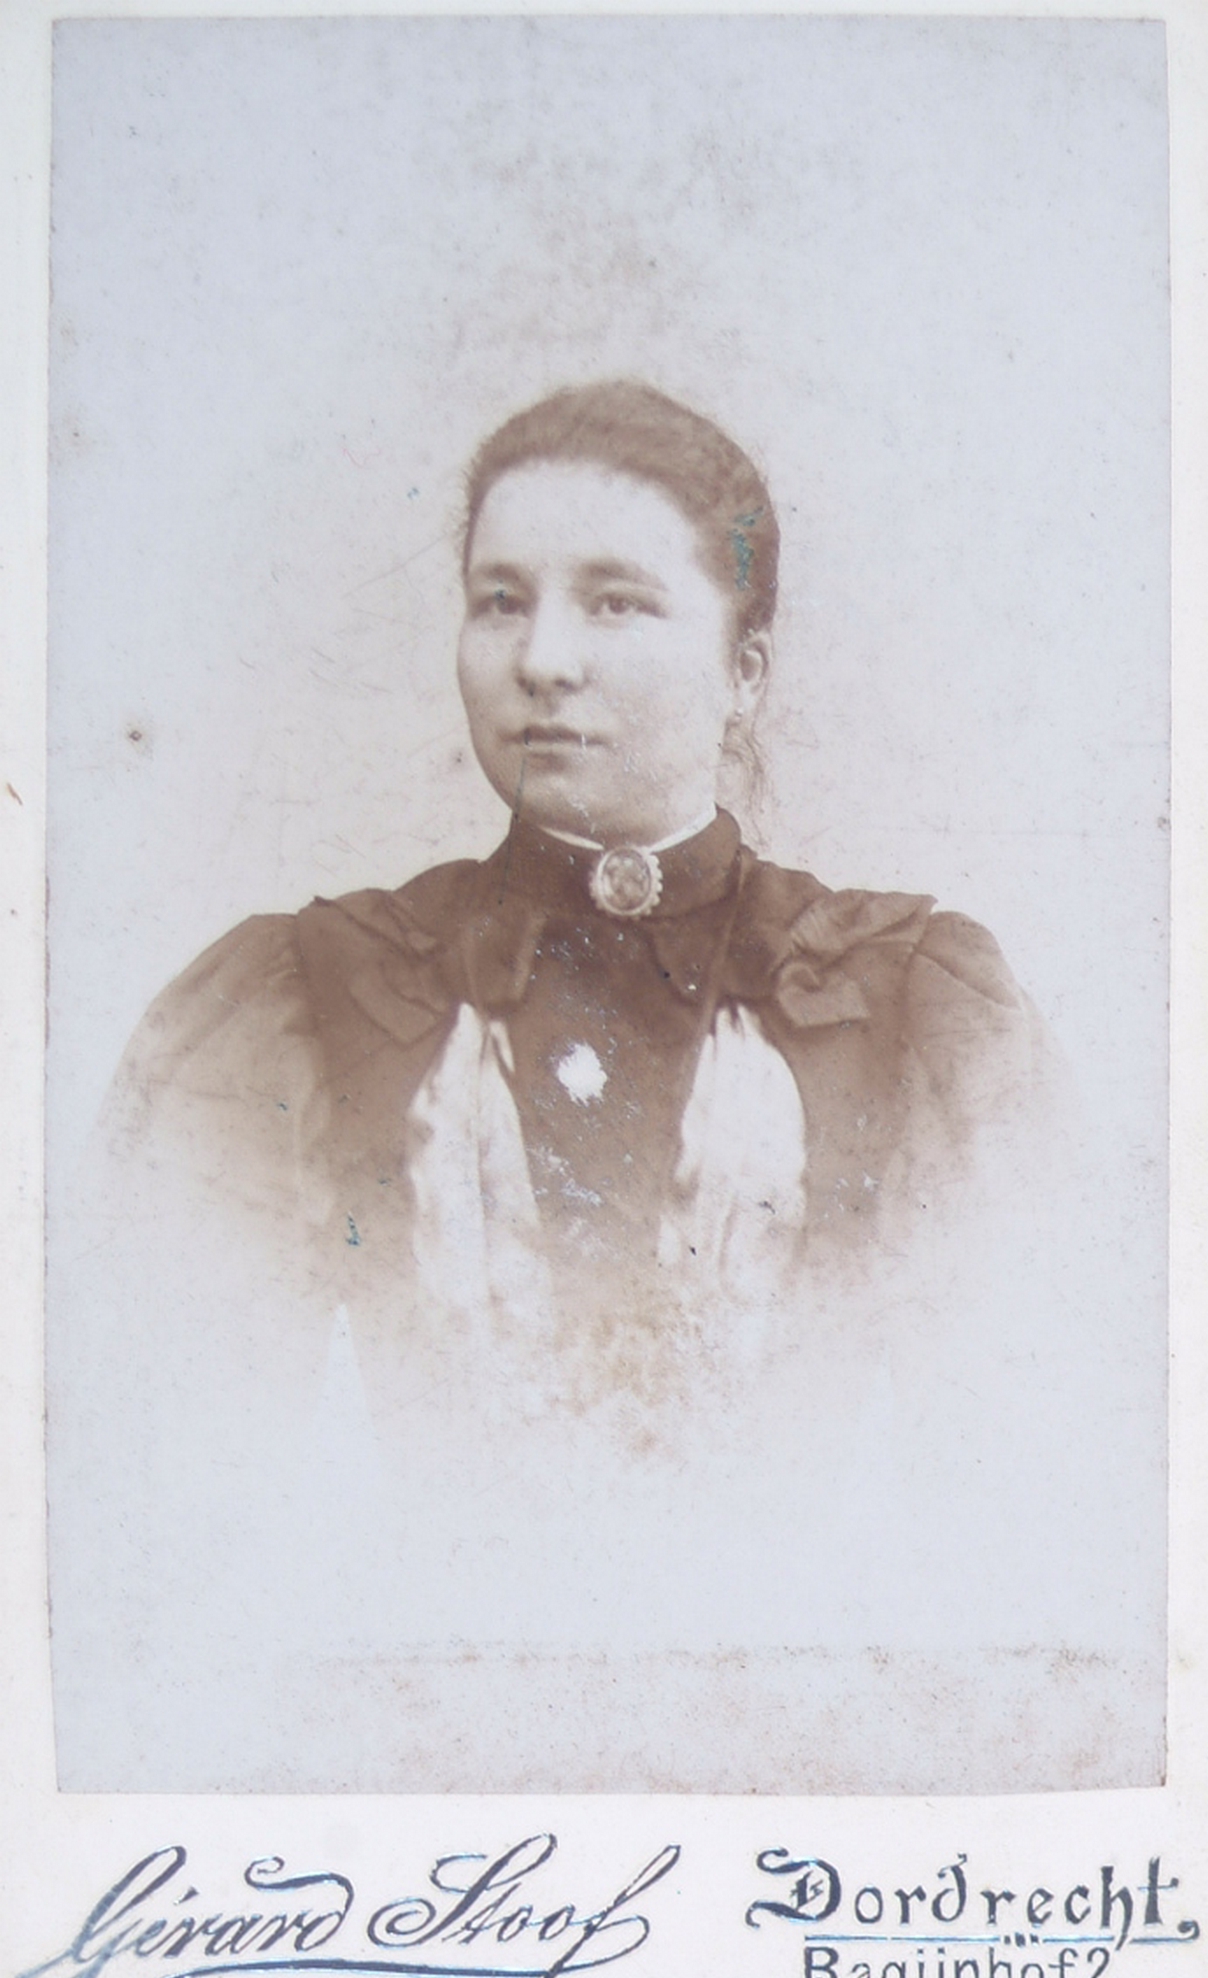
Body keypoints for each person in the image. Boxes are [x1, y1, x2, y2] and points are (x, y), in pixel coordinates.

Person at [107, 378, 1057, 1375]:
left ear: (743, 672)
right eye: (501, 602)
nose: (542, 660)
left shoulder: (910, 1005)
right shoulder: (314, 993)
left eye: (614, 603)